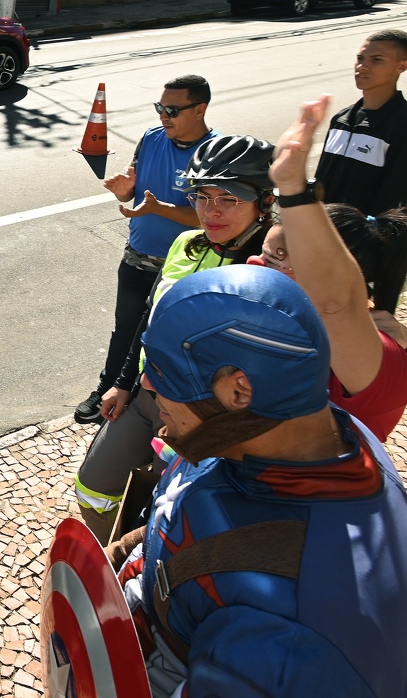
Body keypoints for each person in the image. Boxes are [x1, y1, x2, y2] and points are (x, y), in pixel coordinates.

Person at [106, 265, 407, 698]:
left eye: (164, 370)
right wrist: (119, 557)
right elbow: (184, 512)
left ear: (239, 390)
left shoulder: (291, 636)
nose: (147, 384)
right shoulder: (270, 429)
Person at [75, 134, 275, 540]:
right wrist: (122, 383)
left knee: (172, 512)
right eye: (203, 197)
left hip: (204, 418)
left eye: (229, 199)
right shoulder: (185, 242)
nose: (211, 211)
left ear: (265, 202)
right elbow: (148, 321)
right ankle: (103, 558)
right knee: (94, 481)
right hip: (146, 396)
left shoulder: (266, 267)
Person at [248, 93, 407, 441]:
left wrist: (292, 186)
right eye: (265, 252)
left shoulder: (384, 359)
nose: (256, 263)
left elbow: (335, 305)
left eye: (279, 258)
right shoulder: (280, 324)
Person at [74, 75, 216, 424]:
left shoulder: (215, 152)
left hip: (184, 266)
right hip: (137, 255)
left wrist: (158, 208)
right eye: (160, 108)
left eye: (172, 110)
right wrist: (123, 191)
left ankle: (152, 398)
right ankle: (108, 387)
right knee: (125, 329)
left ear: (200, 109)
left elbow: (209, 217)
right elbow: (134, 191)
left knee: (167, 336)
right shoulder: (152, 138)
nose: (163, 117)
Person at [313, 29, 407, 214]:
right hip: (321, 233)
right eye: (360, 58)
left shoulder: (401, 125)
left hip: (364, 239)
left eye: (376, 60)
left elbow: (396, 200)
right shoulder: (341, 119)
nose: (362, 66)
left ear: (401, 67)